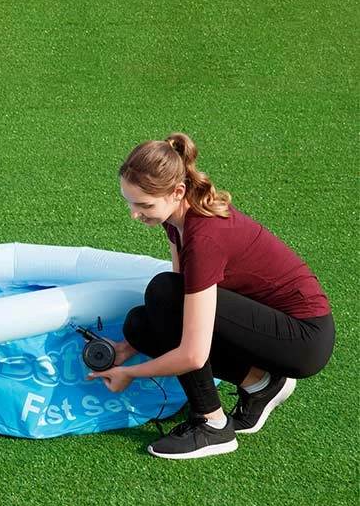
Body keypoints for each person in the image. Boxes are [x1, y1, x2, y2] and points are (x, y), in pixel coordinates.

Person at [87, 132, 334, 459]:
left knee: (162, 292)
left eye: (144, 205)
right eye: (130, 202)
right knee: (140, 325)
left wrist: (129, 373)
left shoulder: (205, 237)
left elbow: (192, 354)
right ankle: (261, 384)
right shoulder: (175, 217)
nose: (135, 213)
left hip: (302, 338)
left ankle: (212, 425)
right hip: (268, 322)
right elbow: (176, 304)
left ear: (177, 192)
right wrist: (126, 348)